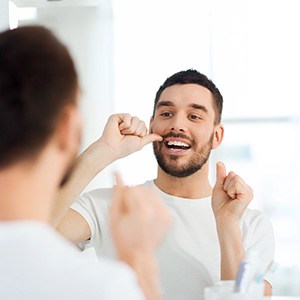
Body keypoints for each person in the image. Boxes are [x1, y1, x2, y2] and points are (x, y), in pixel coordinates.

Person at [53, 69, 275, 300]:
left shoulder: (250, 224)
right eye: (167, 113)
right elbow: (35, 224)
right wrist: (104, 150)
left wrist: (228, 224)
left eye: (194, 116)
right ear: (151, 126)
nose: (177, 125)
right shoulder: (112, 205)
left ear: (216, 136)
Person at [0, 25, 172, 300]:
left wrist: (104, 150)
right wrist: (139, 260)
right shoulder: (101, 288)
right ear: (69, 127)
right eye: (166, 112)